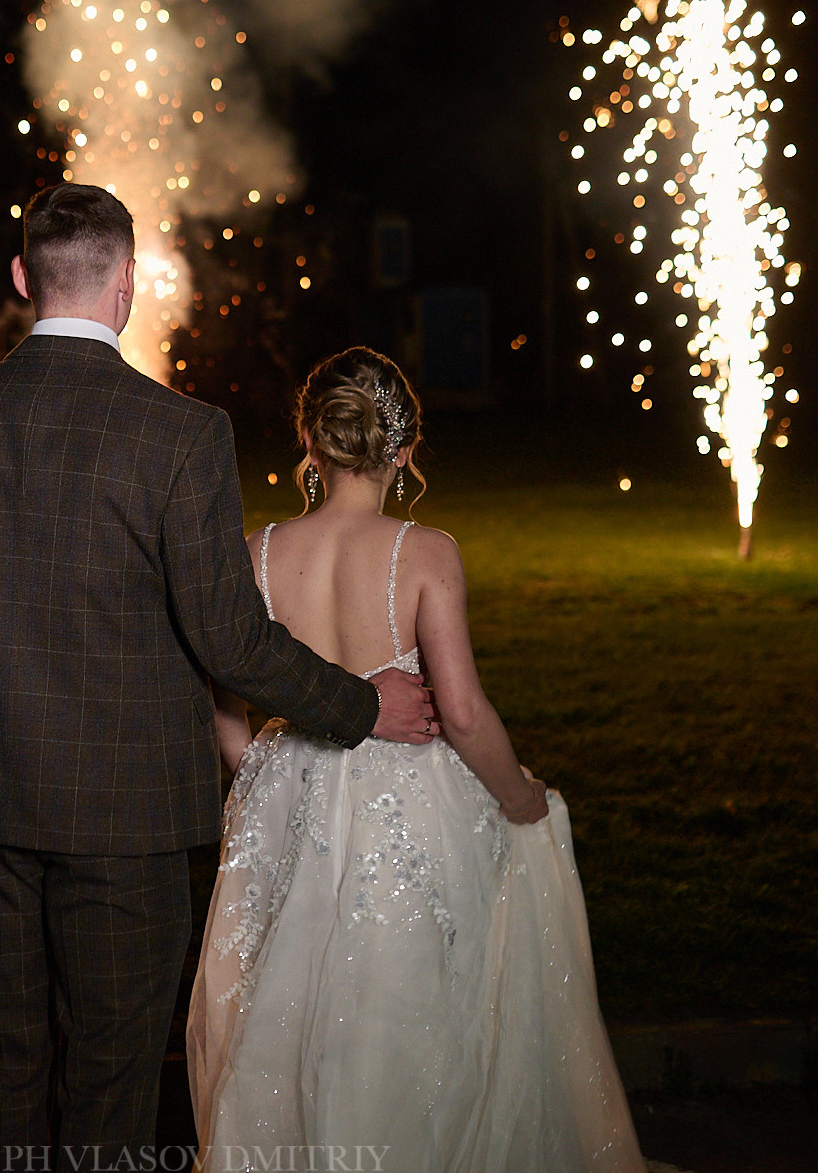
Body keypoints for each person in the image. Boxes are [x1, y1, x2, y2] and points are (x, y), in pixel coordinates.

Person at [0, 186, 437, 1171]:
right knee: (110, 1067)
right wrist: (359, 702)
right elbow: (230, 639)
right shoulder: (180, 434)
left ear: (22, 279)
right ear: (128, 283)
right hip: (124, 814)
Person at [189, 348, 647, 1172]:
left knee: (282, 1014)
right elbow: (463, 711)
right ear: (403, 451)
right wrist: (518, 799)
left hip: (286, 795)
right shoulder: (425, 551)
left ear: (309, 437)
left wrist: (263, 785)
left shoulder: (254, 552)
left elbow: (226, 715)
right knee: (404, 1014)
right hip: (408, 807)